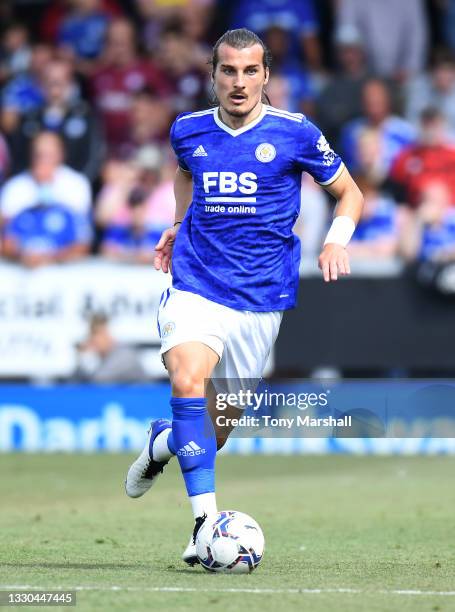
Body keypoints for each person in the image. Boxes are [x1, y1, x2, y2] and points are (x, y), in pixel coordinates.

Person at [125, 28, 363, 565]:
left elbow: (350, 192)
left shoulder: (295, 133)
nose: (239, 81)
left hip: (260, 300)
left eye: (250, 70)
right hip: (195, 284)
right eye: (228, 70)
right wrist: (179, 223)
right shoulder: (187, 130)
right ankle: (205, 525)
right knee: (187, 378)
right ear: (212, 76)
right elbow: (184, 175)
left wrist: (334, 241)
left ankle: (162, 444)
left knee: (214, 432)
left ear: (266, 76)